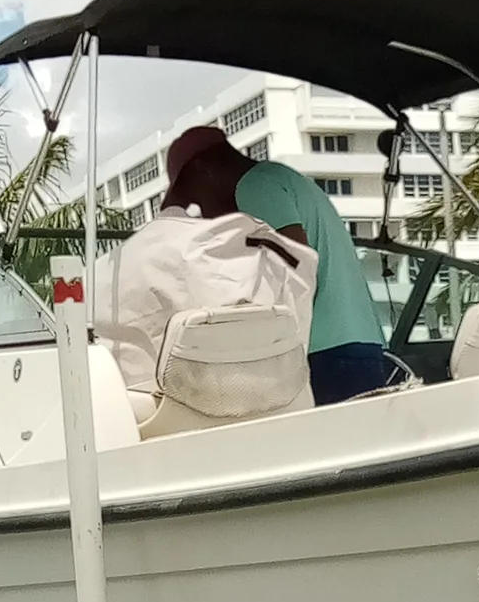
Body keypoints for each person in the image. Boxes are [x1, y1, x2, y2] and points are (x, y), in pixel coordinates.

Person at [95, 126, 316, 425]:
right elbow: (301, 269)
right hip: (277, 413)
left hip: (160, 430)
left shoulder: (106, 271)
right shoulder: (247, 240)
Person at [232, 149, 395, 406]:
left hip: (321, 351)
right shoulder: (292, 181)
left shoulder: (253, 186)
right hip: (363, 340)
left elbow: (295, 264)